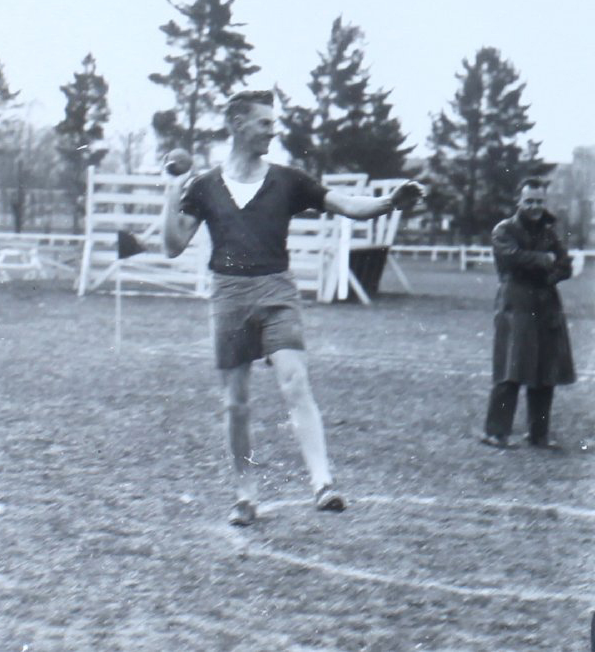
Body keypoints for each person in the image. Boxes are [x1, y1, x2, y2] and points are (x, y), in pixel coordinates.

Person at [162, 89, 423, 525]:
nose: (273, 129)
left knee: (295, 381)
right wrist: (172, 190)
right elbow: (171, 245)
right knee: (236, 401)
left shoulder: (289, 179)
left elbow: (346, 205)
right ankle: (244, 495)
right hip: (228, 296)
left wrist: (389, 203)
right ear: (238, 124)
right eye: (265, 122)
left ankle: (324, 484)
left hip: (277, 292)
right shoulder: (204, 186)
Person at [481, 177, 575, 450]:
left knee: (546, 369)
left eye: (539, 201)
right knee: (512, 367)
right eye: (530, 201)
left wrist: (549, 272)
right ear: (519, 201)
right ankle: (496, 432)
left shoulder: (549, 232)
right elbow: (511, 257)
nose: (535, 206)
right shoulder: (504, 230)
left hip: (546, 300)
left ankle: (538, 434)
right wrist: (543, 260)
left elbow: (565, 265)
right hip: (516, 302)